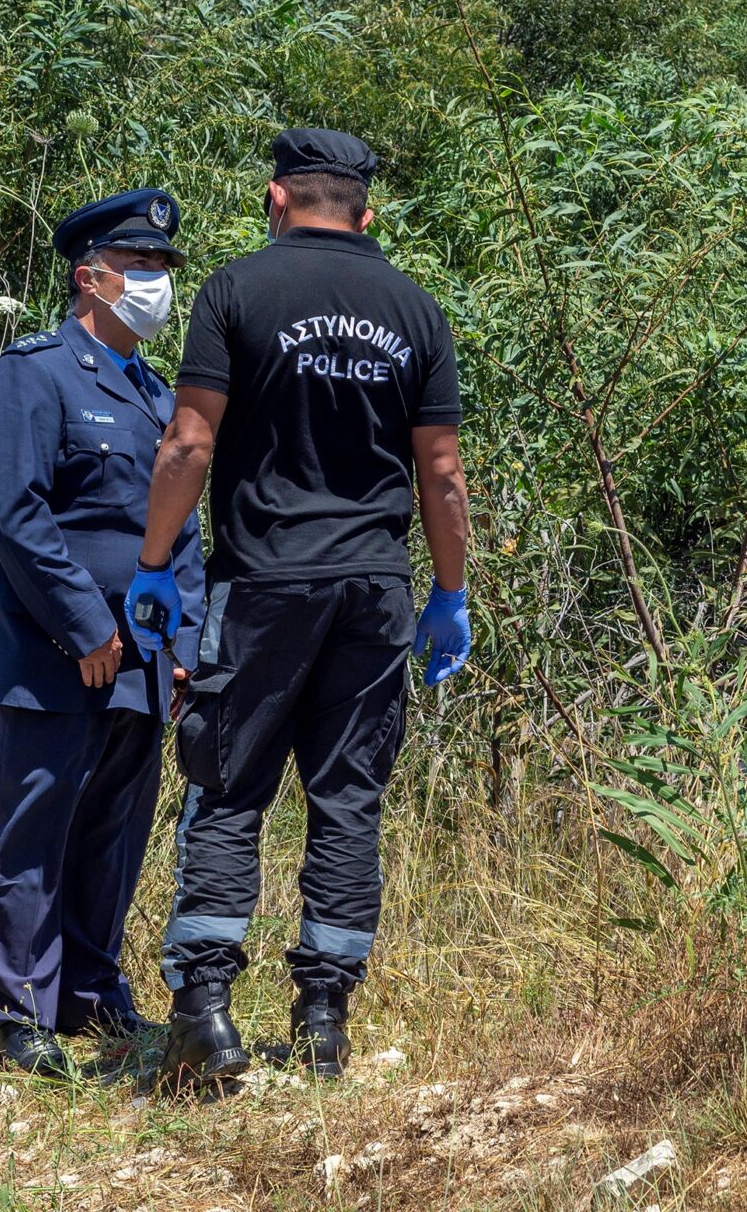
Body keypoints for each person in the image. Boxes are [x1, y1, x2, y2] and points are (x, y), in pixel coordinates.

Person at [125, 129, 471, 1090]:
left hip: (264, 580)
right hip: (373, 591)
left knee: (228, 785)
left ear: (278, 200)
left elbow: (188, 445)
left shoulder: (235, 291)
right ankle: (324, 1017)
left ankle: (203, 1009)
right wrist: (448, 593)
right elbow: (440, 474)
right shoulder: (416, 310)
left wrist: (155, 564)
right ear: (369, 213)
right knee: (348, 796)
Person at [0, 187, 205, 1076]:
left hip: (141, 663)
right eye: (139, 267)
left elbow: (182, 531)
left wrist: (181, 649)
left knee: (112, 831)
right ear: (89, 275)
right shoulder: (32, 373)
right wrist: (86, 628)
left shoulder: (155, 396)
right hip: (52, 655)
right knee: (35, 828)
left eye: (162, 270)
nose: (155, 284)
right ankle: (17, 1011)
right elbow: (17, 516)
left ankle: (93, 992)